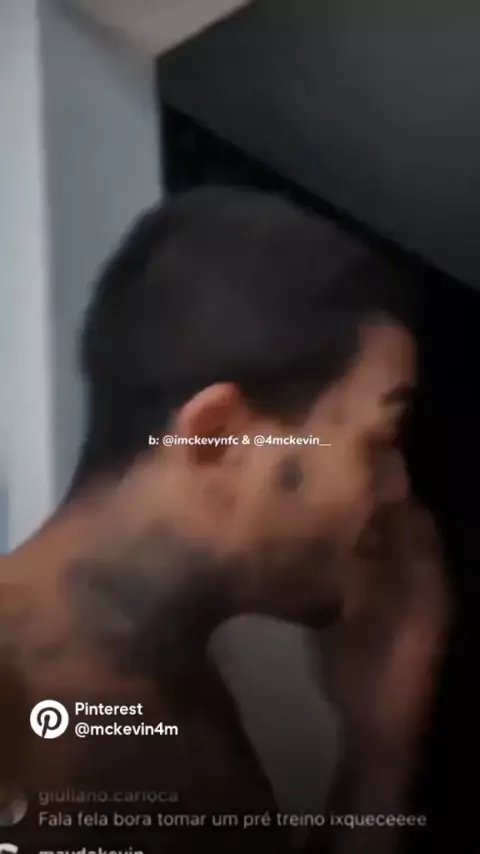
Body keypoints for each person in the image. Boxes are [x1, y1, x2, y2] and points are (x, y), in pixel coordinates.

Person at [0, 188, 447, 852]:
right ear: (219, 440)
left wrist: (378, 751)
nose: (397, 488)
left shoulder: (187, 720)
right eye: (379, 440)